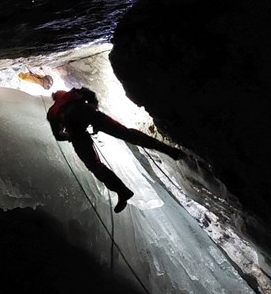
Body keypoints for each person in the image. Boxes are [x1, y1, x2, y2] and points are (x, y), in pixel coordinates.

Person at [47, 87, 185, 212]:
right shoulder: (74, 92)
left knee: (94, 165)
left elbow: (58, 136)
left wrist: (70, 135)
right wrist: (93, 108)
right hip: (91, 115)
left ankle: (122, 191)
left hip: (76, 130)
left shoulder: (53, 112)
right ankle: (170, 151)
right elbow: (92, 95)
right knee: (127, 134)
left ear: (55, 98)